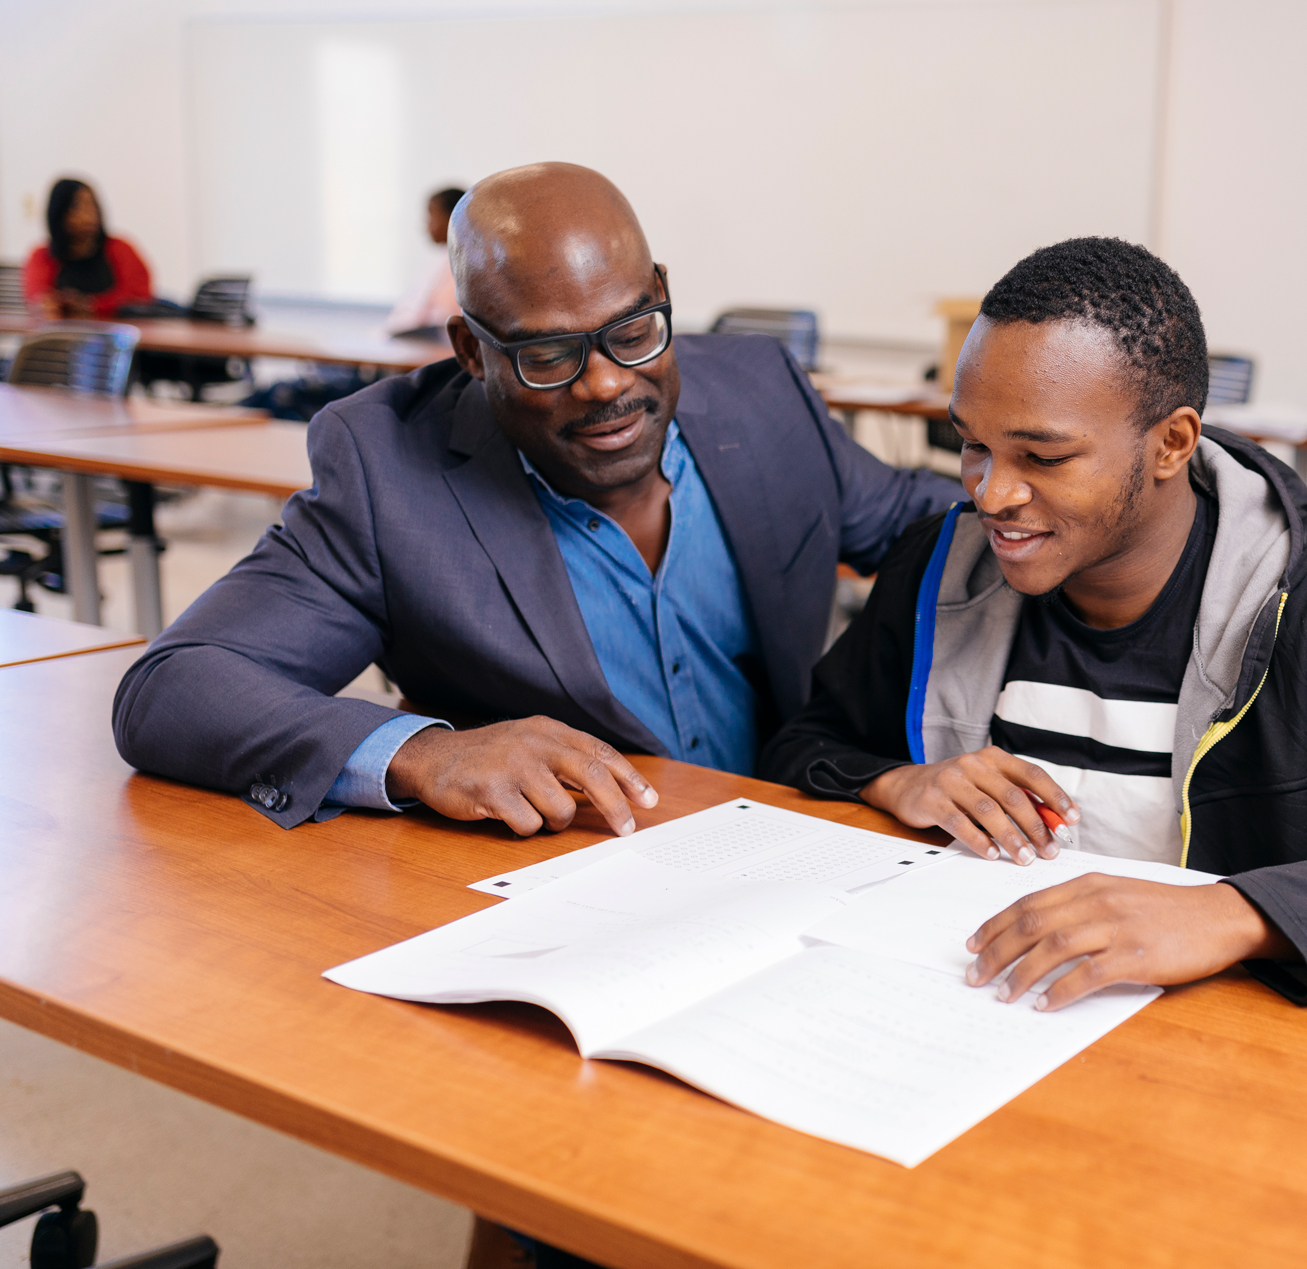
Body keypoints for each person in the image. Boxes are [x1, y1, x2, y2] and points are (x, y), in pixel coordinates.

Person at [760, 237, 1307, 1012]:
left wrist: (1235, 911)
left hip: (1215, 1053)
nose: (991, 493)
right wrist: (894, 781)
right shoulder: (937, 571)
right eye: (972, 445)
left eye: (1043, 457)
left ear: (1172, 444)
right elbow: (804, 744)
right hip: (973, 1009)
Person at [112, 162, 959, 838]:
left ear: (660, 289)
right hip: (577, 885)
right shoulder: (390, 475)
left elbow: (931, 520)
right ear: (470, 351)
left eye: (632, 333)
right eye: (547, 356)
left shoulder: (760, 395)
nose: (604, 385)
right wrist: (422, 754)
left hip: (797, 847)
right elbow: (175, 686)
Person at [22, 178, 154, 318]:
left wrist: (92, 305)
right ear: (60, 212)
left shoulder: (120, 248)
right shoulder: (43, 256)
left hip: (119, 332)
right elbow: (38, 300)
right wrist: (53, 305)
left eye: (93, 205)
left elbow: (139, 296)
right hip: (65, 334)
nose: (90, 213)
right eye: (78, 206)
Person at [384, 186, 466, 337]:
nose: (426, 224)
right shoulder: (441, 260)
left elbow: (440, 317)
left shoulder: (465, 264)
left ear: (453, 216)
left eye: (432, 216)